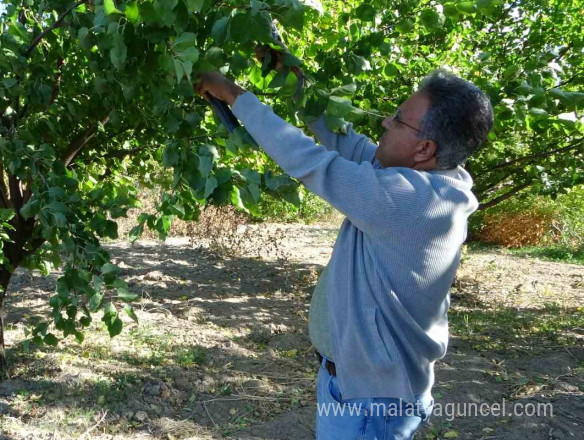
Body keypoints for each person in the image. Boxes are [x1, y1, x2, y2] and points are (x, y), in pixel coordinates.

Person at [195, 69, 494, 439]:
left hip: (370, 402)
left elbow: (312, 161)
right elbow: (343, 141)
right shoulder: (418, 178)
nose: (386, 122)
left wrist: (234, 94)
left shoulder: (413, 201)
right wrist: (291, 75)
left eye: (398, 120)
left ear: (424, 149)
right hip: (355, 386)